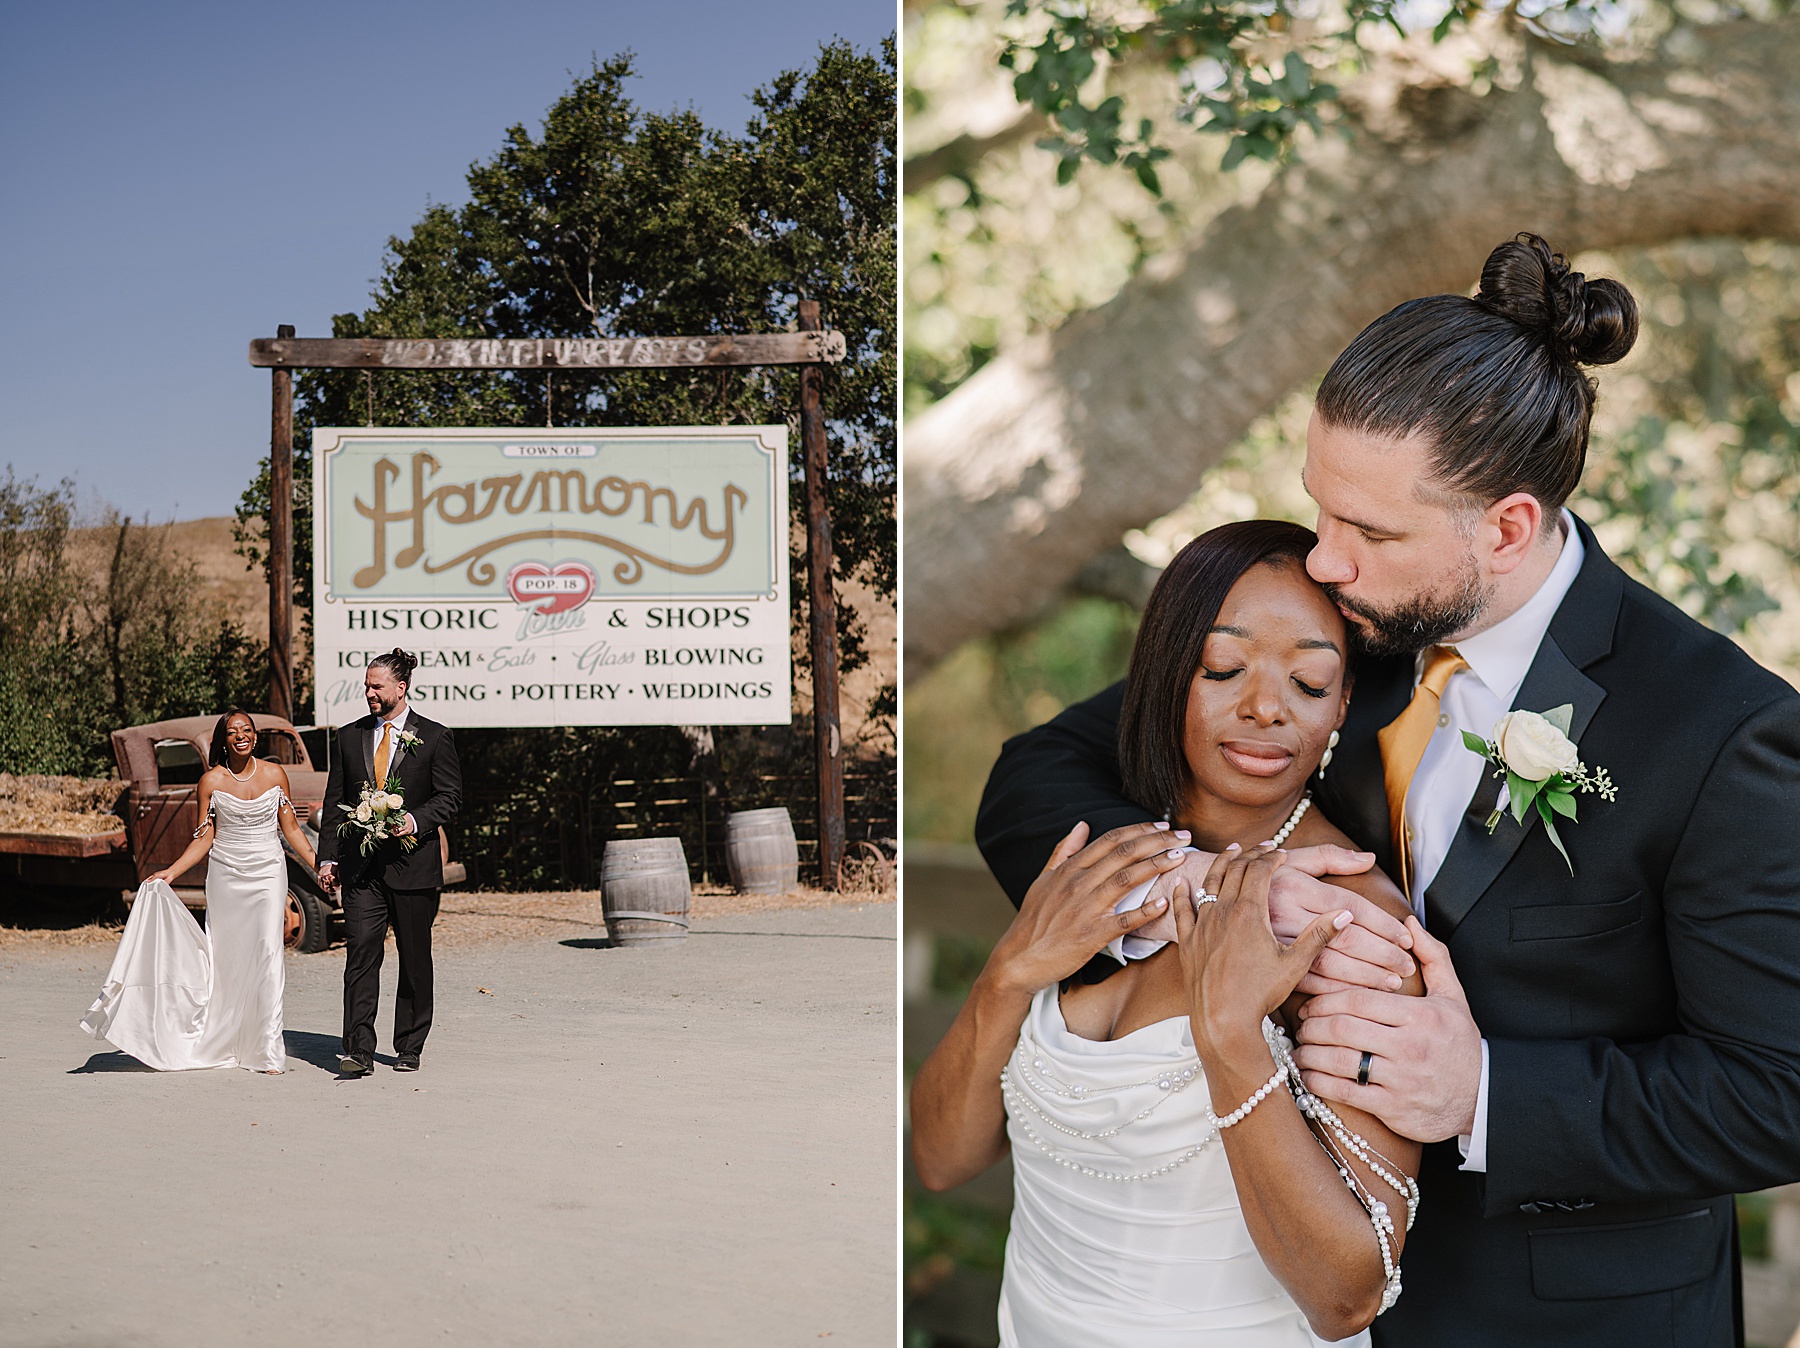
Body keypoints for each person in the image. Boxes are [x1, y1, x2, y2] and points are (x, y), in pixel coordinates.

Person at [973, 233, 1800, 1345]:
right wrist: (1210, 890)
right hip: (1276, 1291)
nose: (1323, 562)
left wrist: (1485, 1094)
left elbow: (1776, 1090)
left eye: (1367, 530)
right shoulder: (1337, 630)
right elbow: (1044, 769)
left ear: (1506, 526)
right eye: (1321, 509)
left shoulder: (1719, 729)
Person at [915, 519, 1427, 1347]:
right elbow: (943, 1160)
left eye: (1308, 682)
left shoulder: (1347, 926)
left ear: (1342, 705)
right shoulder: (1104, 868)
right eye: (1225, 668)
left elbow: (1347, 1296)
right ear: (1160, 678)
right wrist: (1008, 973)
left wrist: (1230, 1034)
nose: (1265, 709)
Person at [80, 709, 315, 1074]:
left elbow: (292, 830)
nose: (242, 736)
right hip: (226, 878)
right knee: (227, 958)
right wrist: (171, 873)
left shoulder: (274, 774)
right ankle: (225, 1037)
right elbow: (205, 837)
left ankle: (267, 1049)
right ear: (223, 740)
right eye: (234, 731)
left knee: (269, 952)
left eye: (247, 730)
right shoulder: (211, 781)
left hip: (268, 872)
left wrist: (319, 864)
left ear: (255, 736)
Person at [317, 648, 462, 1076]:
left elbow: (450, 798)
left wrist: (414, 820)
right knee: (360, 952)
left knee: (415, 957)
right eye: (365, 686)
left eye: (376, 686)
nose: (369, 693)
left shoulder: (435, 736)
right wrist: (327, 858)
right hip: (362, 871)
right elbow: (335, 801)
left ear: (401, 688)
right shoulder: (348, 736)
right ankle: (358, 1049)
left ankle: (409, 1045)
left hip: (414, 867)